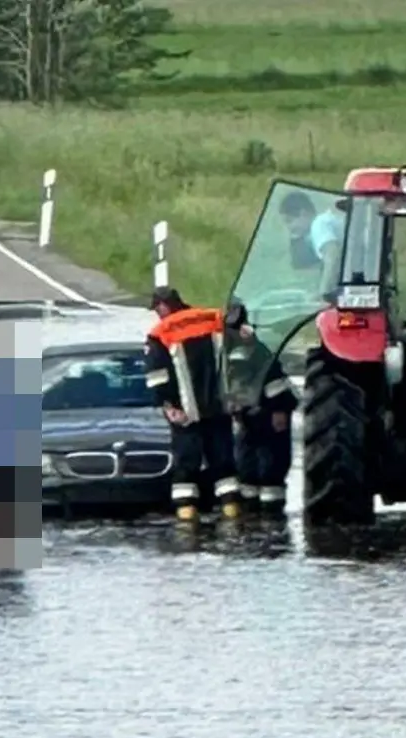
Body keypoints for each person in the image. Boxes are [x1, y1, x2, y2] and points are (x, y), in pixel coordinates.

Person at [145, 286, 243, 521]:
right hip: (220, 408)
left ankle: (187, 521)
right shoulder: (214, 318)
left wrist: (169, 405)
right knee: (225, 468)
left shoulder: (161, 332)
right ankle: (233, 516)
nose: (157, 314)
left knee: (186, 469)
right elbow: (238, 357)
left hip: (186, 413)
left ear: (164, 306)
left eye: (157, 309)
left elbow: (158, 376)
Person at [223, 305, 296, 513]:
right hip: (248, 417)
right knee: (248, 468)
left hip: (268, 415)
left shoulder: (257, 351)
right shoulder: (230, 350)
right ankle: (252, 512)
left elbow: (275, 384)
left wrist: (279, 411)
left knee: (270, 467)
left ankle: (269, 513)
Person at [279, 191, 345, 271]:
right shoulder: (322, 223)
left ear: (304, 213)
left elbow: (332, 257)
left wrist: (325, 284)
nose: (288, 227)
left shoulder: (318, 224)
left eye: (289, 221)